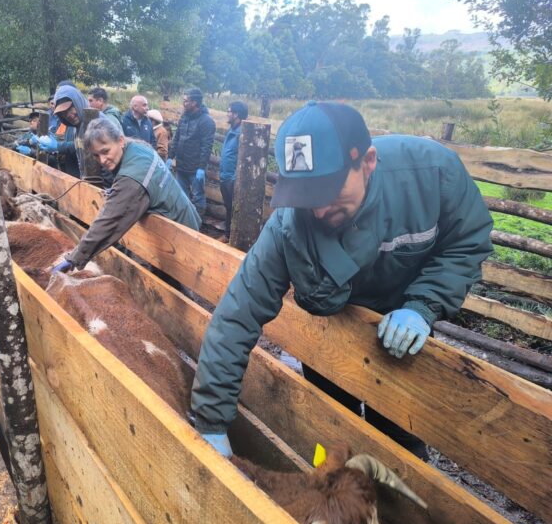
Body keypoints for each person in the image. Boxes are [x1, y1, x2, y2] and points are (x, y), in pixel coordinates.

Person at [190, 101, 494, 459]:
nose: (319, 210)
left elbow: (467, 241)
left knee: (398, 434)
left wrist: (424, 303)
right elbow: (237, 314)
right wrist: (211, 421)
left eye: (329, 191)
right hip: (331, 331)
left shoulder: (432, 175)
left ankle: (404, 507)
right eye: (307, 196)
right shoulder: (289, 226)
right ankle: (330, 494)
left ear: (367, 162)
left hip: (401, 331)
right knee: (329, 424)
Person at [51, 118, 200, 273]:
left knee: (174, 282)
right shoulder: (137, 147)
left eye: (105, 151)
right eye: (96, 155)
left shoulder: (131, 179)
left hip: (179, 236)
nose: (102, 160)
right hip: (181, 216)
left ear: (120, 141)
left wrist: (74, 258)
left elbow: (108, 222)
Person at [168, 87, 216, 218]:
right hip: (181, 165)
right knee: (181, 194)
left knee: (198, 196)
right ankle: (184, 218)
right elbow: (177, 138)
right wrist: (170, 157)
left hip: (195, 168)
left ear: (194, 103)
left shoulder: (206, 121)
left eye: (186, 101)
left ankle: (198, 221)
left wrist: (201, 167)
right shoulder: (184, 117)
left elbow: (207, 146)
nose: (183, 103)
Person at [35, 83, 89, 178]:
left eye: (70, 108)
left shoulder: (92, 122)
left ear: (77, 100)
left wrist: (58, 146)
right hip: (76, 175)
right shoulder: (73, 124)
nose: (68, 115)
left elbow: (87, 145)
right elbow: (71, 141)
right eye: (64, 113)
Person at [218, 101, 248, 242]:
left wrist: (236, 178)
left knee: (234, 208)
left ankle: (231, 236)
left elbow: (244, 158)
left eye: (229, 111)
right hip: (225, 176)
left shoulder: (242, 133)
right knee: (229, 207)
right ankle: (229, 234)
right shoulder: (232, 130)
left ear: (236, 114)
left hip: (232, 178)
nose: (227, 113)